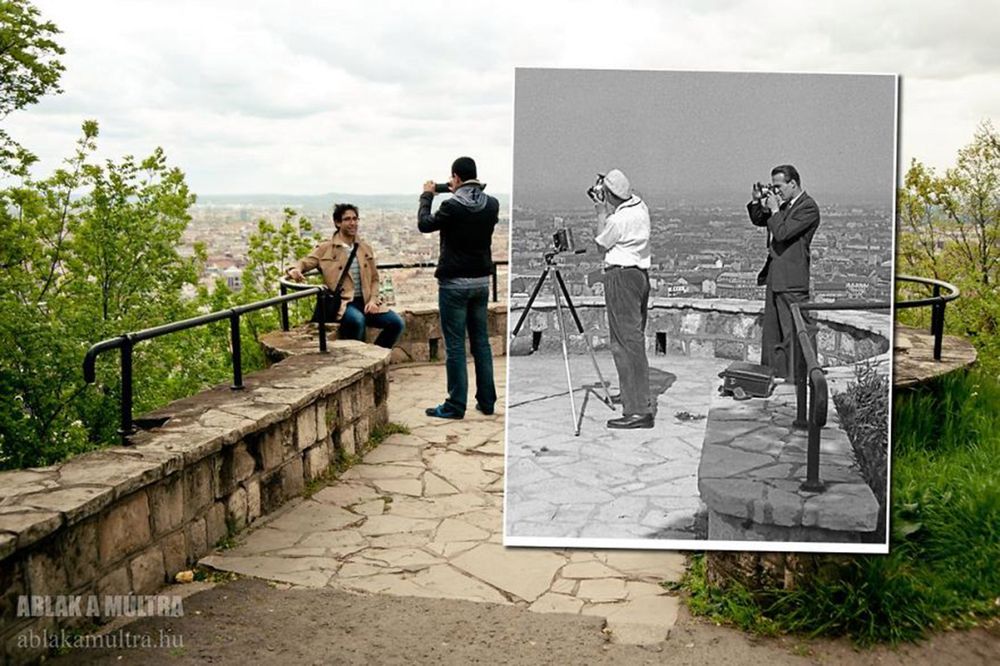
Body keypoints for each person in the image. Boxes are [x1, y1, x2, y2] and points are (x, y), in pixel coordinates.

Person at [418, 156, 499, 419]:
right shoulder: (492, 205)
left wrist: (427, 196)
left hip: (454, 284)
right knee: (481, 344)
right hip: (481, 283)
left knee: (455, 346)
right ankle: (487, 401)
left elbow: (424, 224)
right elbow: (476, 205)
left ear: (455, 178)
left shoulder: (452, 206)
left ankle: (455, 405)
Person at [286, 203, 404, 349]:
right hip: (345, 303)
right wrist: (294, 269)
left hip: (367, 301)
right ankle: (359, 358)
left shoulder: (365, 248)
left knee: (396, 323)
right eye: (347, 219)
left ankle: (376, 355)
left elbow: (374, 278)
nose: (352, 223)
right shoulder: (326, 248)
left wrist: (373, 300)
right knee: (357, 320)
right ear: (337, 223)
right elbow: (306, 262)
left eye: (355, 219)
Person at [593, 169, 654, 429]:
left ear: (609, 194)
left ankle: (638, 410)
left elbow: (600, 245)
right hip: (639, 276)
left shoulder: (618, 221)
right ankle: (632, 394)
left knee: (625, 343)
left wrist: (600, 212)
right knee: (632, 340)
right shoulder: (640, 208)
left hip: (621, 277)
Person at [746, 164, 821, 379]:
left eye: (779, 186)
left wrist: (776, 209)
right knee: (773, 334)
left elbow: (782, 233)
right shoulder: (786, 206)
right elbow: (760, 220)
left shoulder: (808, 208)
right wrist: (757, 201)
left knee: (795, 333)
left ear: (793, 183)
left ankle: (800, 378)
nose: (776, 191)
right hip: (776, 277)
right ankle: (776, 375)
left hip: (792, 281)